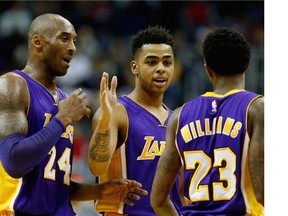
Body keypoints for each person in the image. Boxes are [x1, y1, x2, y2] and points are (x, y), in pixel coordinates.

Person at [0, 13, 148, 215]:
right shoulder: (13, 85)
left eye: (74, 40)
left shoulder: (64, 100)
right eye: (64, 38)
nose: (73, 48)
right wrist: (62, 119)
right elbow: (13, 162)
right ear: (38, 42)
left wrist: (100, 190)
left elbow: (55, 184)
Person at [150, 27, 264, 215]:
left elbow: (158, 200)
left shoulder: (179, 116)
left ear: (207, 69)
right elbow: (262, 192)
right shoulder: (258, 109)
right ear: (247, 64)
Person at [88, 25, 183, 215]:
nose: (161, 69)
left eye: (167, 62)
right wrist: (106, 120)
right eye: (152, 62)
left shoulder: (177, 118)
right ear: (134, 67)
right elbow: (96, 167)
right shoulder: (117, 112)